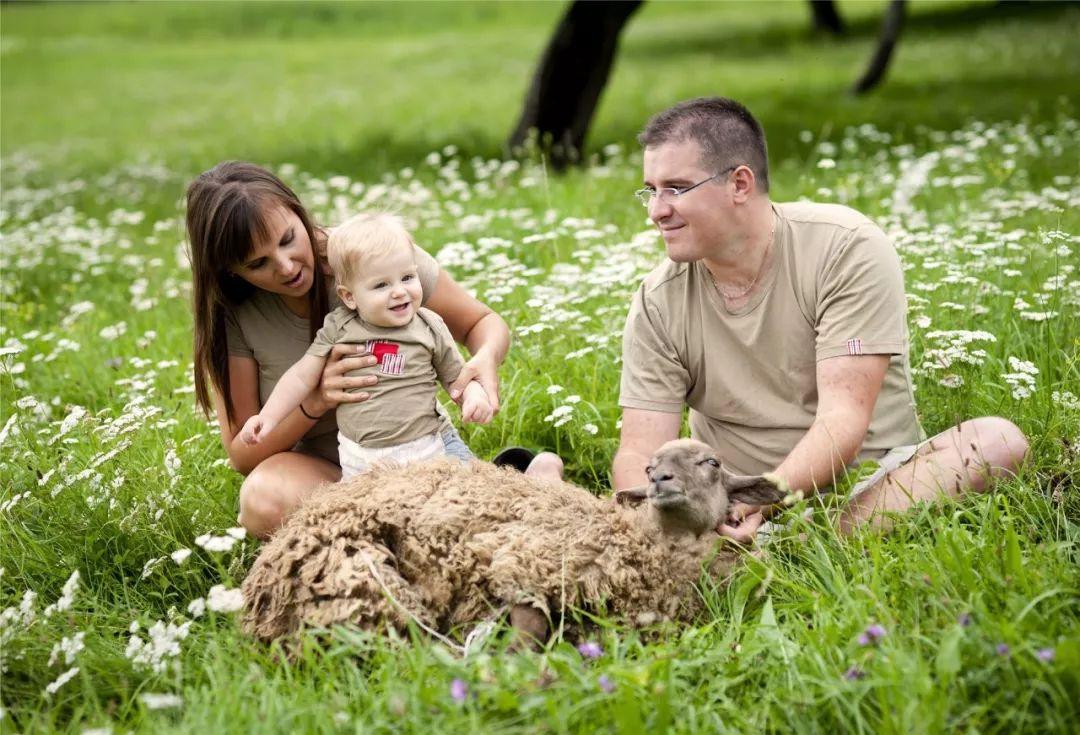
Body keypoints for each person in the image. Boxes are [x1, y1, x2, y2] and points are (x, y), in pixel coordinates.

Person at [610, 97, 1029, 541]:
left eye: (676, 188)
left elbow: (843, 418)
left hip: (872, 485)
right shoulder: (659, 299)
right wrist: (659, 526)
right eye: (650, 190)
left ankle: (820, 542)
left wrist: (764, 501)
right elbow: (639, 450)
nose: (656, 210)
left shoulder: (845, 248)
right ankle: (777, 547)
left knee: (997, 442)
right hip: (728, 504)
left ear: (739, 184)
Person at [187, 161, 511, 538]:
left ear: (298, 210)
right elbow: (244, 456)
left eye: (289, 239)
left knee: (481, 521)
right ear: (230, 271)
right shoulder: (235, 314)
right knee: (262, 500)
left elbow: (481, 323)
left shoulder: (367, 255)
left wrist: (485, 359)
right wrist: (316, 402)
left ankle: (512, 481)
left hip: (416, 450)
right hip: (332, 472)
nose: (286, 266)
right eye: (258, 263)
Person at [239, 212, 493, 478]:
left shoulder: (428, 326)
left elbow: (457, 377)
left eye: (407, 277)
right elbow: (301, 377)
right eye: (381, 285)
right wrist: (267, 418)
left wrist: (474, 396)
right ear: (349, 296)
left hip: (429, 447)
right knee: (371, 514)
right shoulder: (339, 327)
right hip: (361, 459)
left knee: (469, 495)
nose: (399, 291)